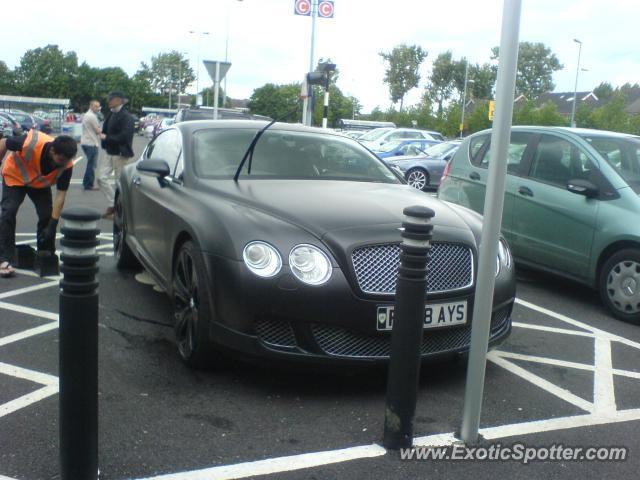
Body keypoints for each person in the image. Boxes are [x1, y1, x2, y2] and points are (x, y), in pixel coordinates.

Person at [0, 132, 76, 278]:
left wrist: (52, 224)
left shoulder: (66, 164)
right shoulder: (30, 143)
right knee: (9, 211)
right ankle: (4, 259)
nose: (61, 164)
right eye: (60, 159)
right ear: (52, 151)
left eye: (66, 161)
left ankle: (45, 254)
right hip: (14, 176)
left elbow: (60, 196)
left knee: (47, 215)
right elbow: (3, 142)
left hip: (39, 184)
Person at [97, 91, 134, 218]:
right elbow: (106, 130)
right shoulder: (111, 114)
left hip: (120, 153)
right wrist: (104, 137)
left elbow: (125, 137)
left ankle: (120, 210)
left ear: (119, 101)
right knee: (101, 178)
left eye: (111, 99)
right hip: (109, 151)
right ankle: (113, 203)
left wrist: (106, 137)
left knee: (120, 182)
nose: (108, 102)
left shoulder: (127, 117)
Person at [80, 100, 102, 190]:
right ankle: (89, 185)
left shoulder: (86, 115)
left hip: (85, 142)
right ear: (91, 106)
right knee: (92, 165)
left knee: (90, 164)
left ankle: (86, 182)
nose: (98, 108)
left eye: (98, 106)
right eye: (96, 106)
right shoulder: (92, 116)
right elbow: (98, 131)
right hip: (91, 143)